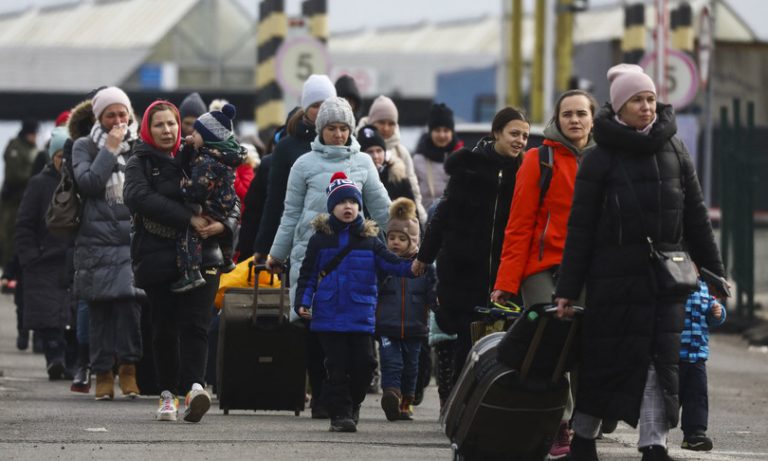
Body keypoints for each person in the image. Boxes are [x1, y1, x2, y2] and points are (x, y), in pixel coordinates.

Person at [553, 64, 725, 461]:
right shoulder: (599, 158)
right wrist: (567, 290)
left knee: (660, 362)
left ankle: (654, 444)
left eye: (650, 98)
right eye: (637, 100)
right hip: (613, 280)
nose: (646, 107)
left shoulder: (675, 149)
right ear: (619, 107)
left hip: (667, 279)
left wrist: (714, 271)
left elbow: (696, 215)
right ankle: (583, 439)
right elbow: (581, 229)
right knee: (605, 361)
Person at [265, 96, 391, 417]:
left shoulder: (362, 163)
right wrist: (276, 254)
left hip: (355, 263)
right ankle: (322, 397)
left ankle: (349, 398)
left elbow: (380, 206)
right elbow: (290, 215)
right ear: (320, 129)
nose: (338, 134)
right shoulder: (303, 165)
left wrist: (406, 239)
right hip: (312, 259)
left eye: (343, 128)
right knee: (314, 334)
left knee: (352, 338)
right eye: (332, 128)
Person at [490, 90, 597, 460]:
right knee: (550, 341)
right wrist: (506, 281)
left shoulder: (605, 160)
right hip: (541, 268)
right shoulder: (540, 159)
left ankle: (586, 423)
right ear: (557, 118)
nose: (575, 120)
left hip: (588, 269)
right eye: (567, 113)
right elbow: (518, 224)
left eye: (582, 113)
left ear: (592, 119)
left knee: (587, 346)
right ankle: (558, 423)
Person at [124, 100, 239, 423]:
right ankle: (167, 395)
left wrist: (225, 225)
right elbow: (138, 198)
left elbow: (230, 197)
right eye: (159, 124)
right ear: (148, 128)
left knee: (197, 326)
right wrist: (187, 219)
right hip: (158, 256)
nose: (167, 130)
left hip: (205, 254)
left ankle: (194, 388)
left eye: (172, 124)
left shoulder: (201, 153)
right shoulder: (140, 161)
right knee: (163, 329)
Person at [412, 107, 530, 388]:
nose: (521, 141)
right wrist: (424, 256)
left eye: (525, 136)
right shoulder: (468, 166)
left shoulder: (527, 172)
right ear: (496, 133)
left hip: (507, 272)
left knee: (505, 341)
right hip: (465, 270)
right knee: (466, 339)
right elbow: (444, 214)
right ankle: (458, 403)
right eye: (515, 134)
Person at [294, 172, 416, 432]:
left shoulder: (370, 241)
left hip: (361, 314)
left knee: (365, 365)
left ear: (360, 207)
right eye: (341, 202)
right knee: (336, 368)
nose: (348, 207)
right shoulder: (320, 240)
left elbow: (393, 265)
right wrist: (303, 301)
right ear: (331, 207)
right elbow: (308, 274)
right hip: (328, 315)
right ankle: (340, 415)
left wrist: (417, 265)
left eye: (353, 202)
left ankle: (353, 404)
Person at [72, 86, 144, 401]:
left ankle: (128, 370)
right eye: (110, 114)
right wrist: (109, 150)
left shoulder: (140, 146)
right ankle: (102, 373)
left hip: (132, 238)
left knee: (130, 307)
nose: (117, 120)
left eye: (121, 113)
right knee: (100, 307)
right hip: (96, 240)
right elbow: (88, 183)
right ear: (99, 117)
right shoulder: (83, 146)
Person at [14, 126, 73, 380]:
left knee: (70, 316)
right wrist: (30, 256)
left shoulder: (79, 182)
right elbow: (24, 223)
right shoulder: (39, 184)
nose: (63, 161)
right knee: (50, 320)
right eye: (59, 155)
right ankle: (55, 359)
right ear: (52, 157)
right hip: (44, 260)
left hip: (71, 258)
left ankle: (71, 363)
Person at [173, 103, 244, 292]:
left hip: (211, 205)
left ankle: (191, 272)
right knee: (221, 232)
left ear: (209, 138)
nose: (191, 134)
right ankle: (227, 259)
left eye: (196, 132)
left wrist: (183, 189)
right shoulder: (225, 156)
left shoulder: (206, 161)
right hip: (226, 203)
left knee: (189, 233)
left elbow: (198, 190)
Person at [375, 197, 435, 421]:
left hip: (415, 325)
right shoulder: (382, 264)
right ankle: (391, 394)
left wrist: (435, 301)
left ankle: (406, 402)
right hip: (387, 325)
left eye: (402, 238)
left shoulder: (424, 267)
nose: (395, 243)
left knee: (411, 367)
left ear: (413, 240)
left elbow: (432, 290)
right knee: (391, 362)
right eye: (391, 238)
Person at [361, 95, 426, 223]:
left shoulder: (401, 152)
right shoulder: (358, 143)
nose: (386, 128)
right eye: (381, 122)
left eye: (391, 123)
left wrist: (416, 214)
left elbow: (412, 187)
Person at [678, 279, 725, 452]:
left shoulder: (705, 288)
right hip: (673, 356)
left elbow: (714, 316)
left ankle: (694, 434)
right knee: (668, 397)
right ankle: (658, 434)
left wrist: (717, 313)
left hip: (697, 356)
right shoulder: (673, 283)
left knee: (697, 395)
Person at [1, 119, 38, 272]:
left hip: (26, 199)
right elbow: (14, 175)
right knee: (10, 234)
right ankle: (9, 270)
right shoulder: (15, 147)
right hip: (13, 201)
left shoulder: (33, 148)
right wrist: (34, 176)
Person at [411, 103, 463, 211]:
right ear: (430, 132)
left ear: (452, 132)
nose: (442, 135)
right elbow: (411, 194)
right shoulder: (418, 160)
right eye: (437, 130)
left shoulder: (462, 158)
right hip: (426, 221)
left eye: (446, 131)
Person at [357, 125, 414, 201]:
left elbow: (412, 209)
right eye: (370, 152)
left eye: (379, 151)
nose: (376, 156)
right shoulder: (356, 178)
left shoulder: (397, 177)